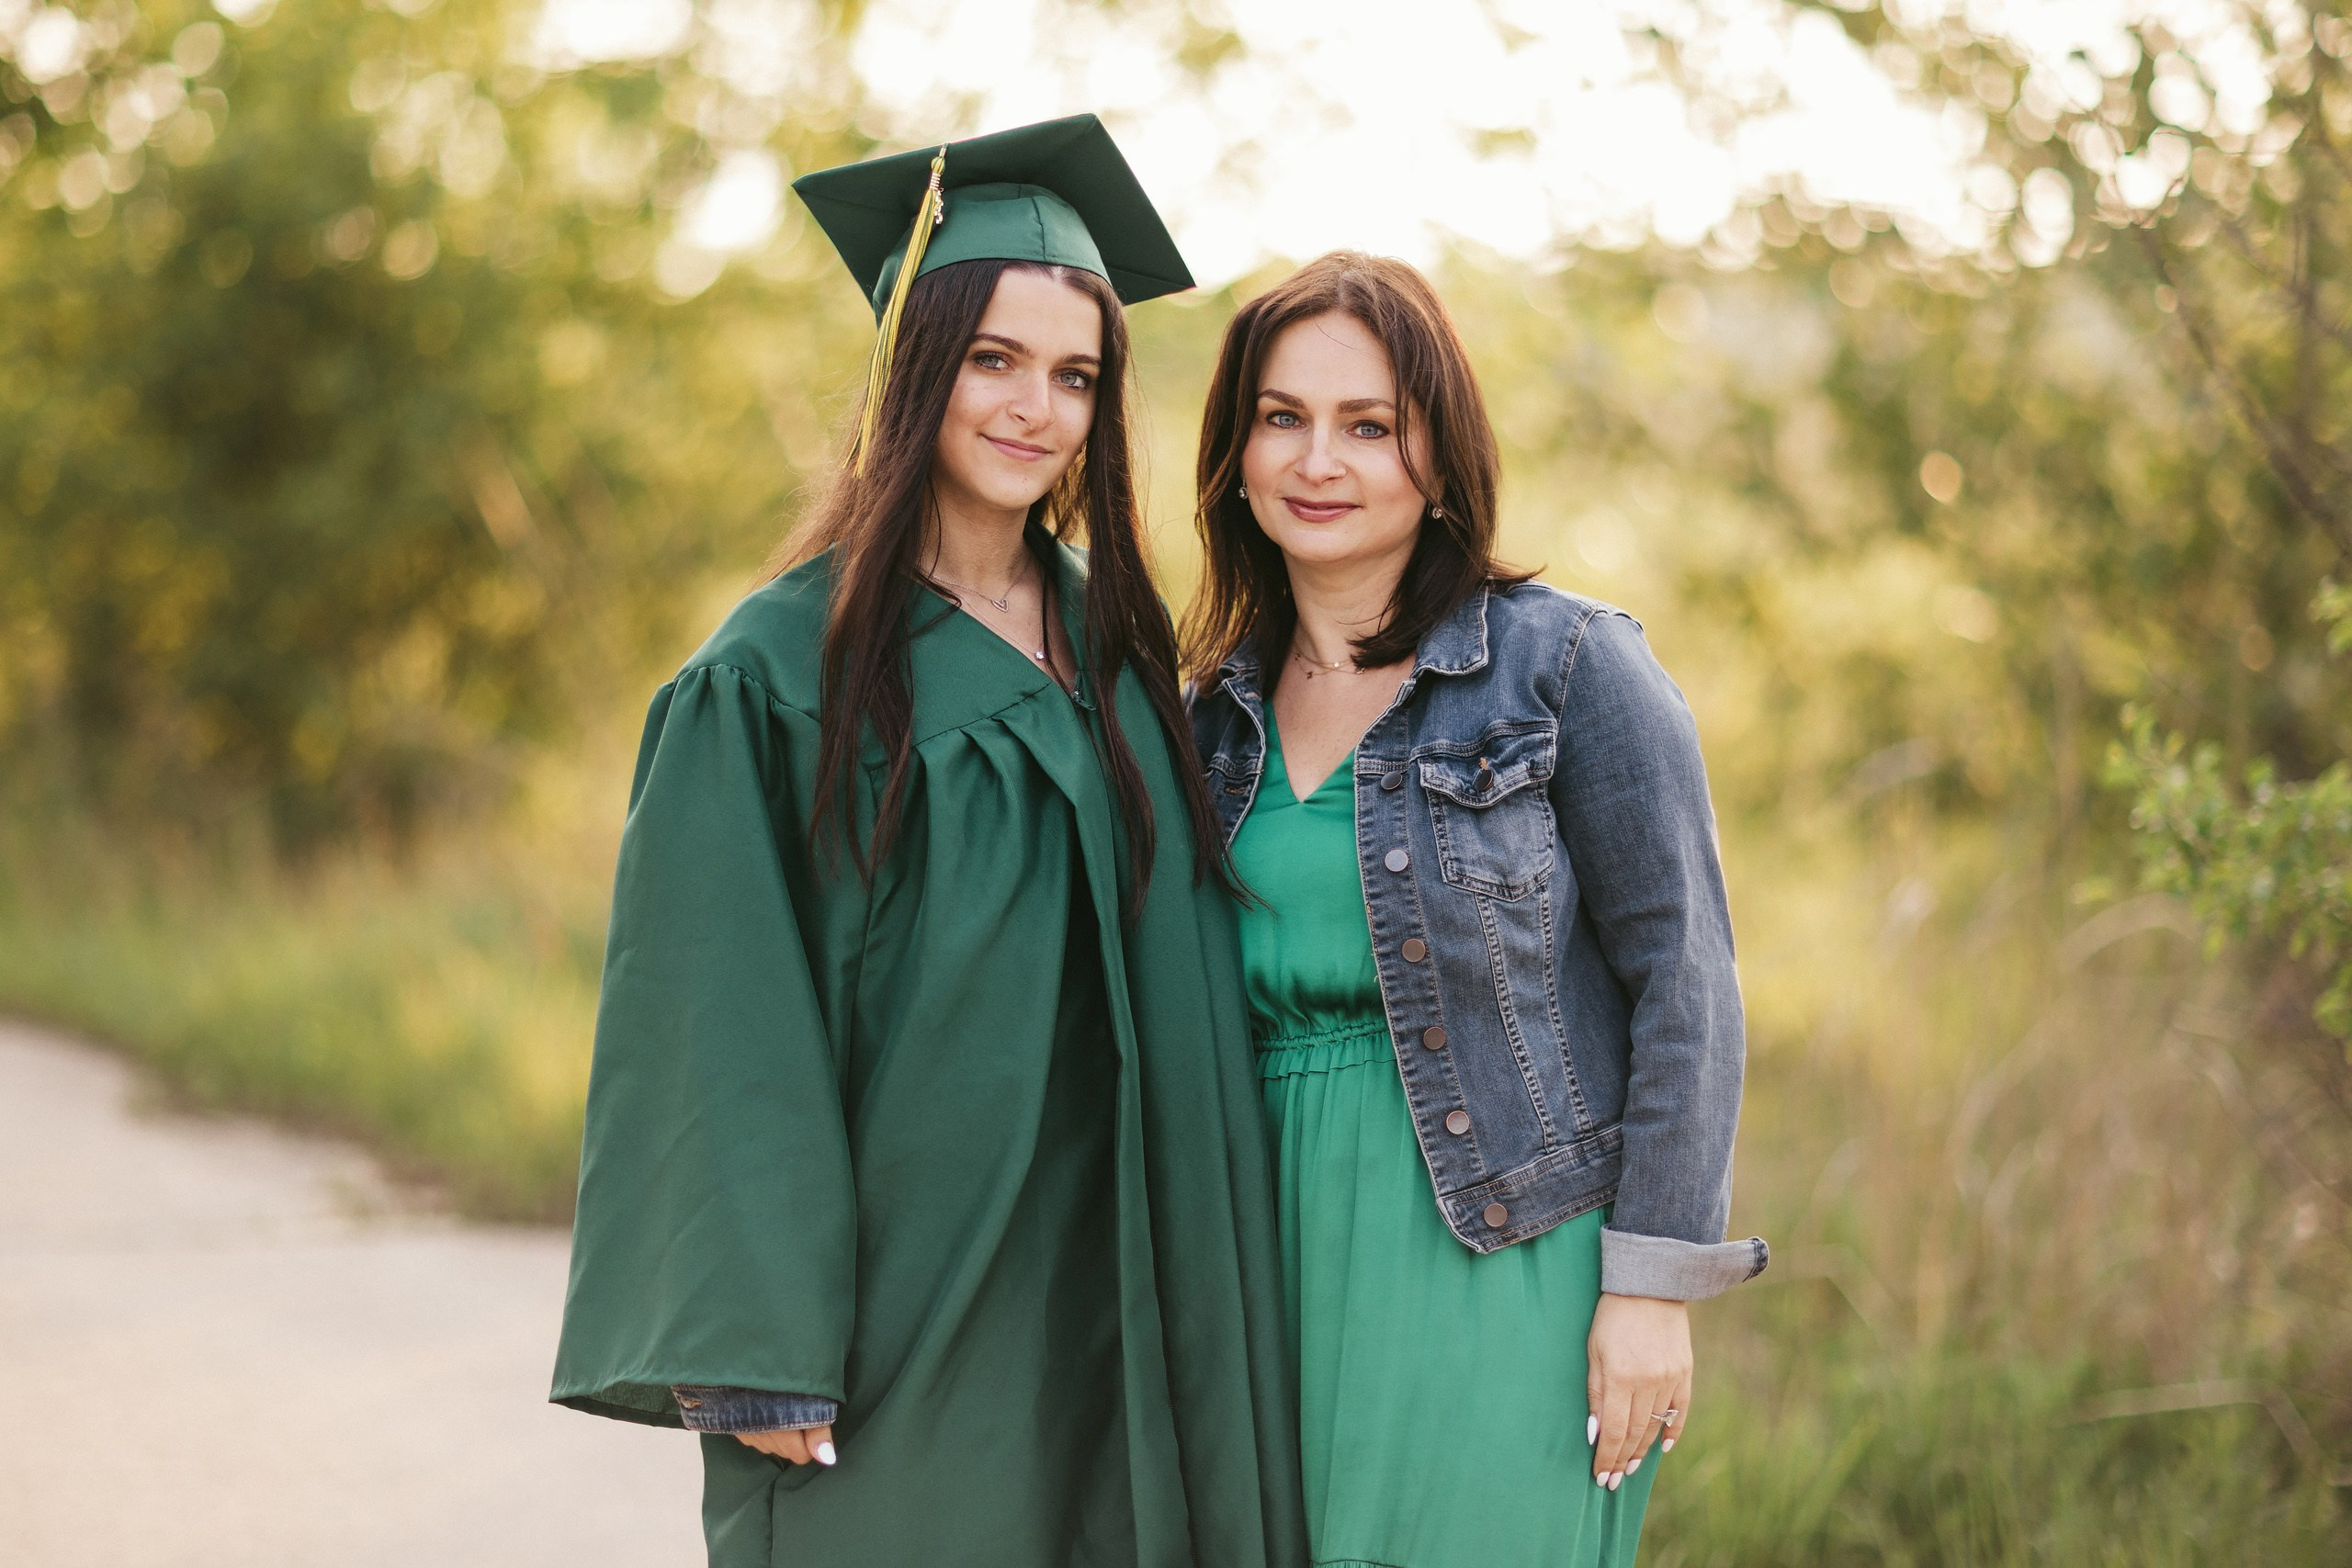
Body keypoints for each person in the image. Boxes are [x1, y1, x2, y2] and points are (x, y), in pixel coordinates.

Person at [550, 116, 1306, 1568]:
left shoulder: (1119, 642)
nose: (1036, 408)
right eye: (993, 360)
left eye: (1075, 375)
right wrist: (753, 1339)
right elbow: (714, 1018)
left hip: (1128, 1269)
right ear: (917, 370)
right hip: (913, 1292)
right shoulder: (778, 673)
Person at [1183, 253, 1768, 1568]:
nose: (1318, 459)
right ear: (1235, 451)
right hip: (1255, 1255)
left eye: (1369, 424)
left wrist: (1653, 1285)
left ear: (1438, 457)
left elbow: (1688, 978)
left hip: (1498, 1249)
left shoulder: (1567, 666)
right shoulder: (1199, 720)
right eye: (1282, 417)